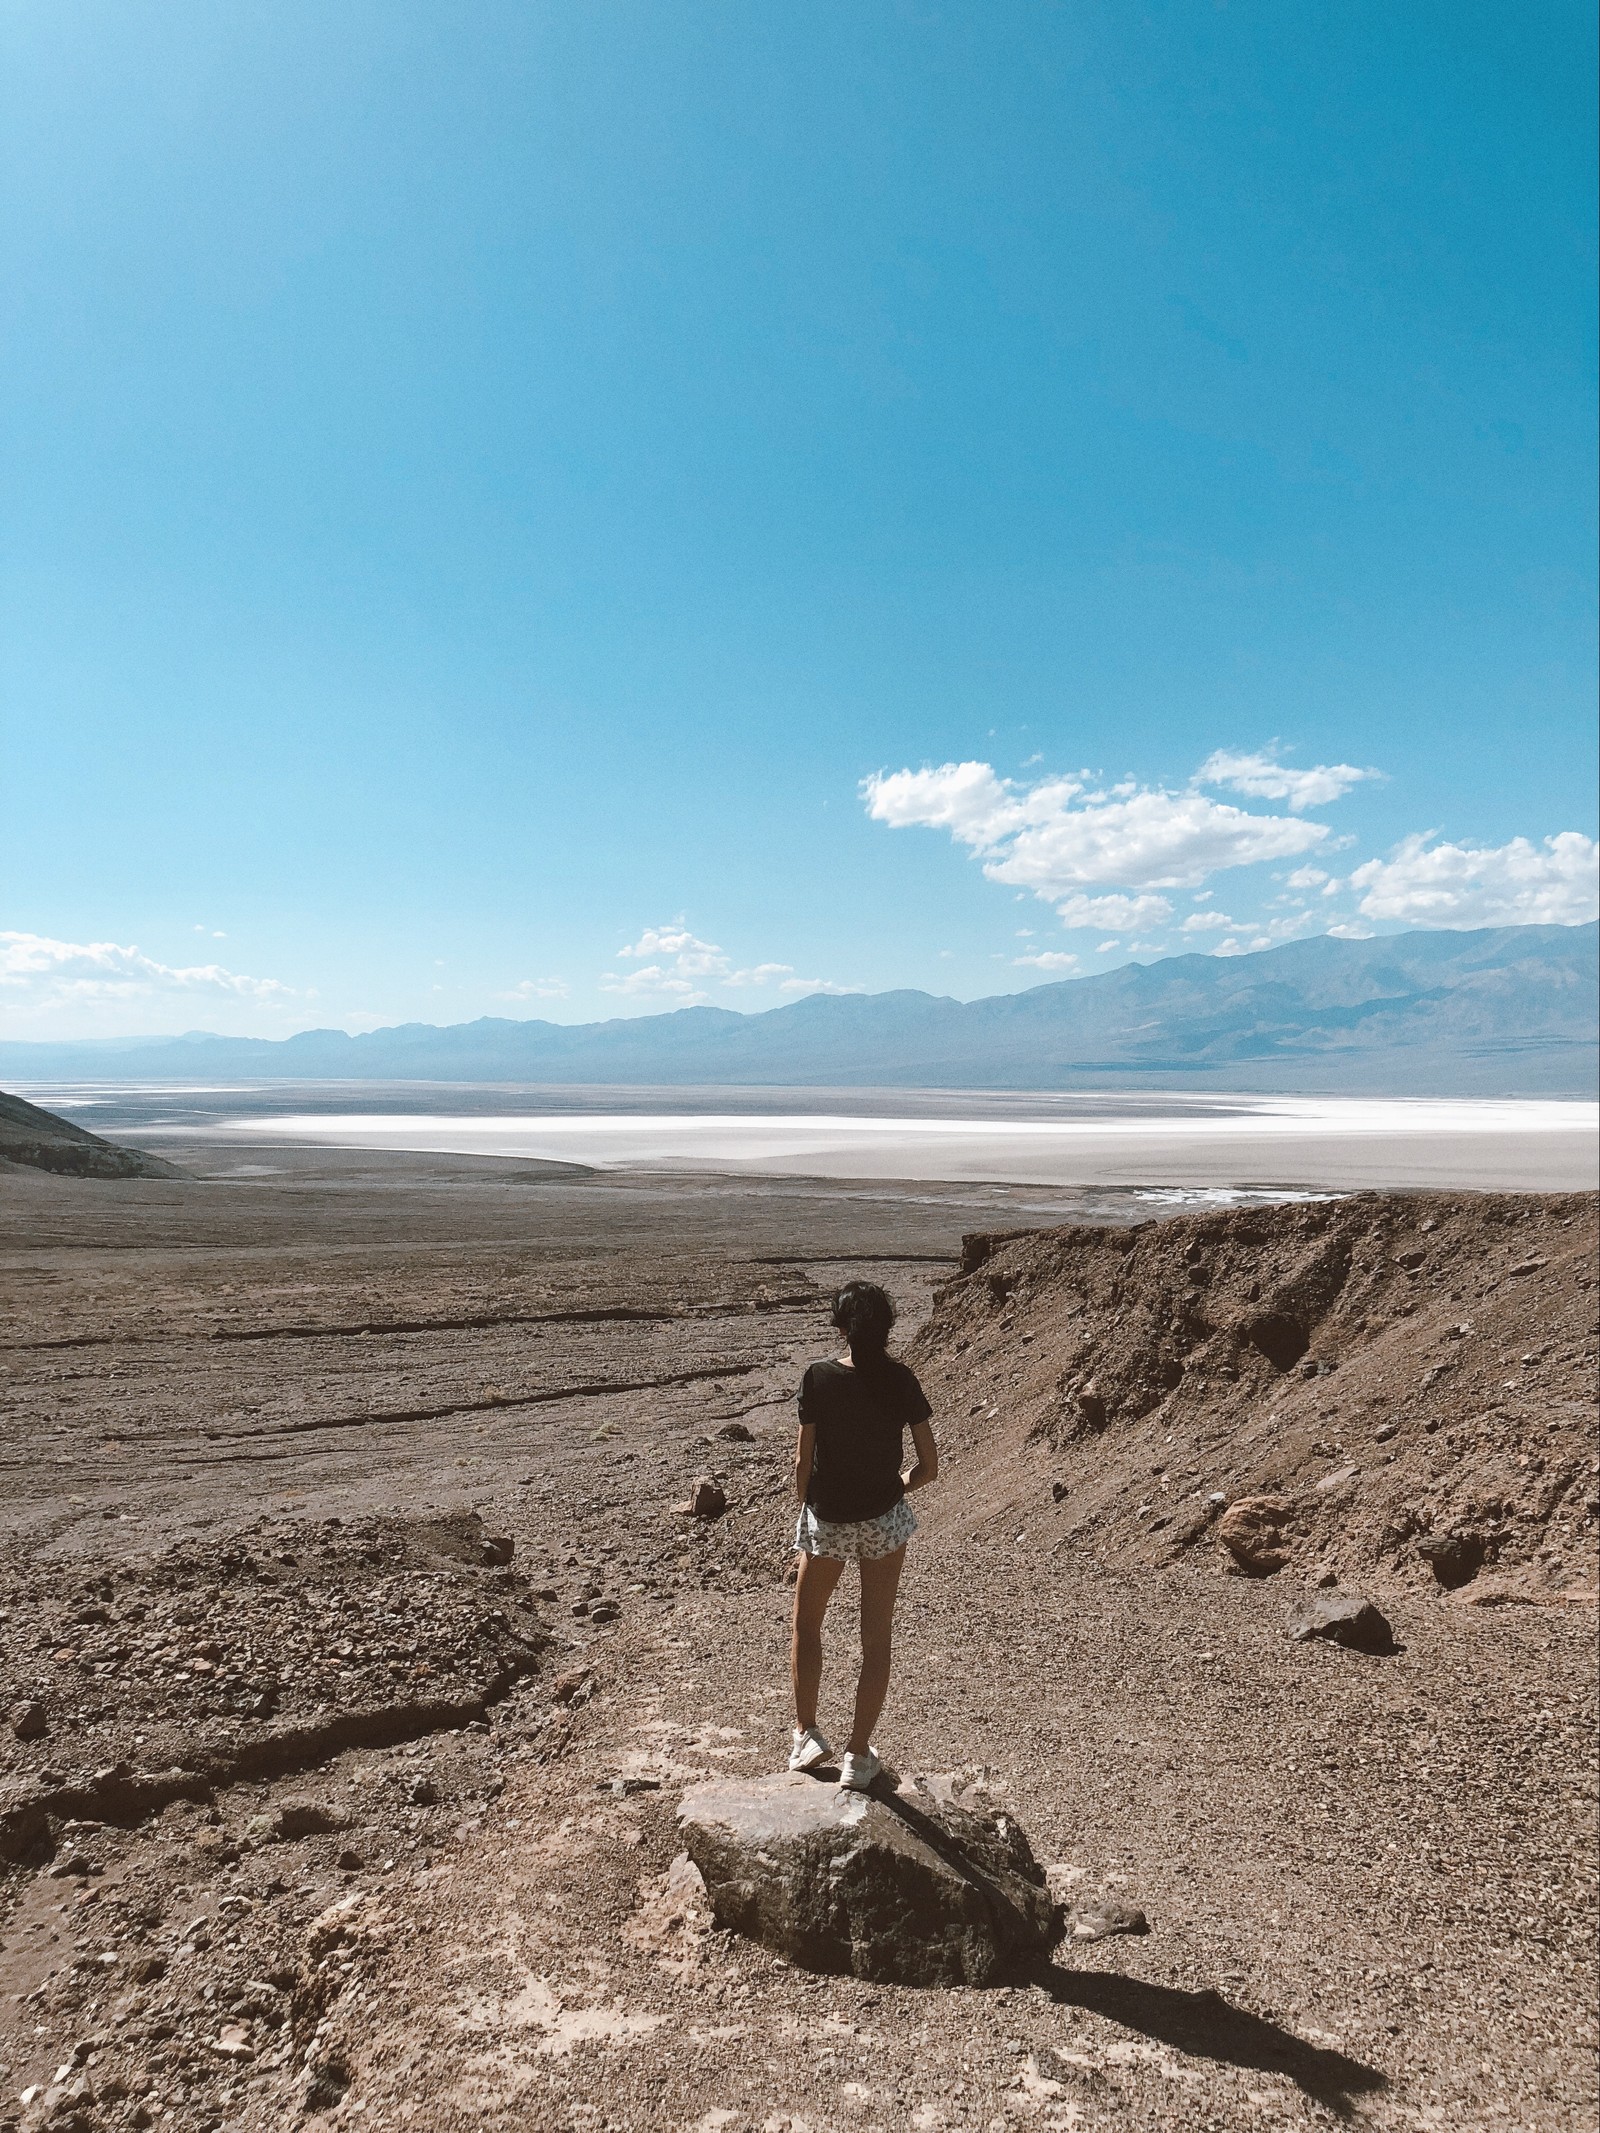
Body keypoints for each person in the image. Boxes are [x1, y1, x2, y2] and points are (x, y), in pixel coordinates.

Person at [788, 1279, 938, 1791]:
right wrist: (897, 1485)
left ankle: (807, 1734)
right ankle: (857, 1755)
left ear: (840, 1326)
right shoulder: (901, 1380)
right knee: (876, 1638)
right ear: (887, 1326)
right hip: (883, 1519)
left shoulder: (818, 1377)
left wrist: (809, 1504)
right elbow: (929, 1466)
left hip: (827, 1517)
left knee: (808, 1625)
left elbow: (802, 1463)